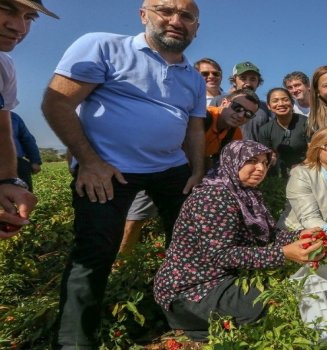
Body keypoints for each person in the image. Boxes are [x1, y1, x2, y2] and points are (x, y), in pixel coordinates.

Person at [41, 1, 206, 347]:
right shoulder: (102, 45)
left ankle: (187, 315)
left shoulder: (193, 77)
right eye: (165, 10)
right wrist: (89, 161)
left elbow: (193, 130)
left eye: (187, 16)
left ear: (196, 27)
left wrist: (197, 171)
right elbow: (57, 103)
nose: (176, 21)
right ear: (143, 14)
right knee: (94, 253)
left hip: (170, 170)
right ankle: (75, 340)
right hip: (109, 169)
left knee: (191, 243)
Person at [154, 140, 322, 342]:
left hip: (221, 281)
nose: (260, 168)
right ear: (232, 161)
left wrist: (300, 236)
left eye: (265, 162)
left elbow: (267, 237)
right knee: (279, 301)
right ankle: (194, 324)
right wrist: (283, 254)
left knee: (290, 295)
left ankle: (207, 328)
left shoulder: (244, 193)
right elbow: (221, 256)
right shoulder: (213, 197)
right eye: (251, 161)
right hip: (191, 291)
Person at [0, 0, 56, 237]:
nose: (20, 28)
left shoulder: (4, 66)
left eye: (29, 17)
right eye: (6, 8)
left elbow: (4, 131)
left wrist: (7, 181)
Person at [211, 61, 271, 141]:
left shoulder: (266, 107)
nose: (248, 83)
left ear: (258, 83)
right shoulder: (218, 100)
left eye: (253, 79)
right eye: (243, 78)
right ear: (234, 81)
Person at [257, 88, 308, 177]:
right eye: (275, 101)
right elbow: (267, 155)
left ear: (292, 103)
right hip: (281, 173)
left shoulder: (307, 123)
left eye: (285, 100)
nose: (280, 104)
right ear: (269, 106)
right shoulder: (265, 130)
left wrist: (301, 166)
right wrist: (271, 158)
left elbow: (315, 152)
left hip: (307, 169)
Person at [205, 88, 260, 169]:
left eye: (248, 114)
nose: (241, 115)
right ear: (224, 103)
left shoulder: (234, 134)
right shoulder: (201, 117)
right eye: (238, 108)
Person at [11, 112, 41, 192]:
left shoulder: (13, 117)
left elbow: (27, 139)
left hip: (16, 162)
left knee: (23, 195)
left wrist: (35, 161)